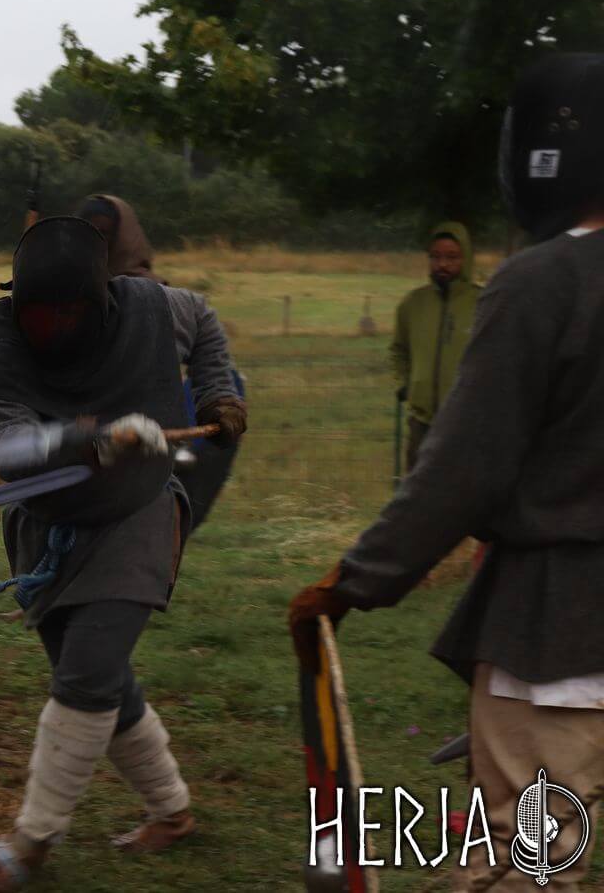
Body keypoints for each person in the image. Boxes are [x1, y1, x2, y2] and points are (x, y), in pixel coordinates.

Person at [290, 54, 604, 891]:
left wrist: (353, 581)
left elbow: (463, 467)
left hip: (559, 634)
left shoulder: (542, 281)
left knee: (522, 866)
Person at [0, 216, 245, 892]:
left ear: (99, 302)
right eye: (40, 313)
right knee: (97, 675)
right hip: (48, 527)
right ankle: (172, 813)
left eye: (68, 312)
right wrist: (90, 441)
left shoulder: (152, 307)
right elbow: (9, 442)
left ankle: (32, 841)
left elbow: (205, 323)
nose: (52, 327)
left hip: (136, 514)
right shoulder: (5, 336)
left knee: (88, 672)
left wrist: (217, 392)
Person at [74, 193, 246, 529]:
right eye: (87, 235)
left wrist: (220, 405)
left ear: (125, 239)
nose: (97, 246)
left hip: (154, 456)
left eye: (104, 235)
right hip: (84, 458)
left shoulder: (177, 305)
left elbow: (214, 376)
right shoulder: (64, 303)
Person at [388, 220, 482, 472]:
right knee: (417, 491)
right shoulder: (412, 304)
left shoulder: (483, 304)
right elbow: (398, 350)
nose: (442, 264)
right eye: (435, 256)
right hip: (422, 424)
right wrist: (406, 384)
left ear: (466, 259)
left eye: (451, 257)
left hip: (466, 424)